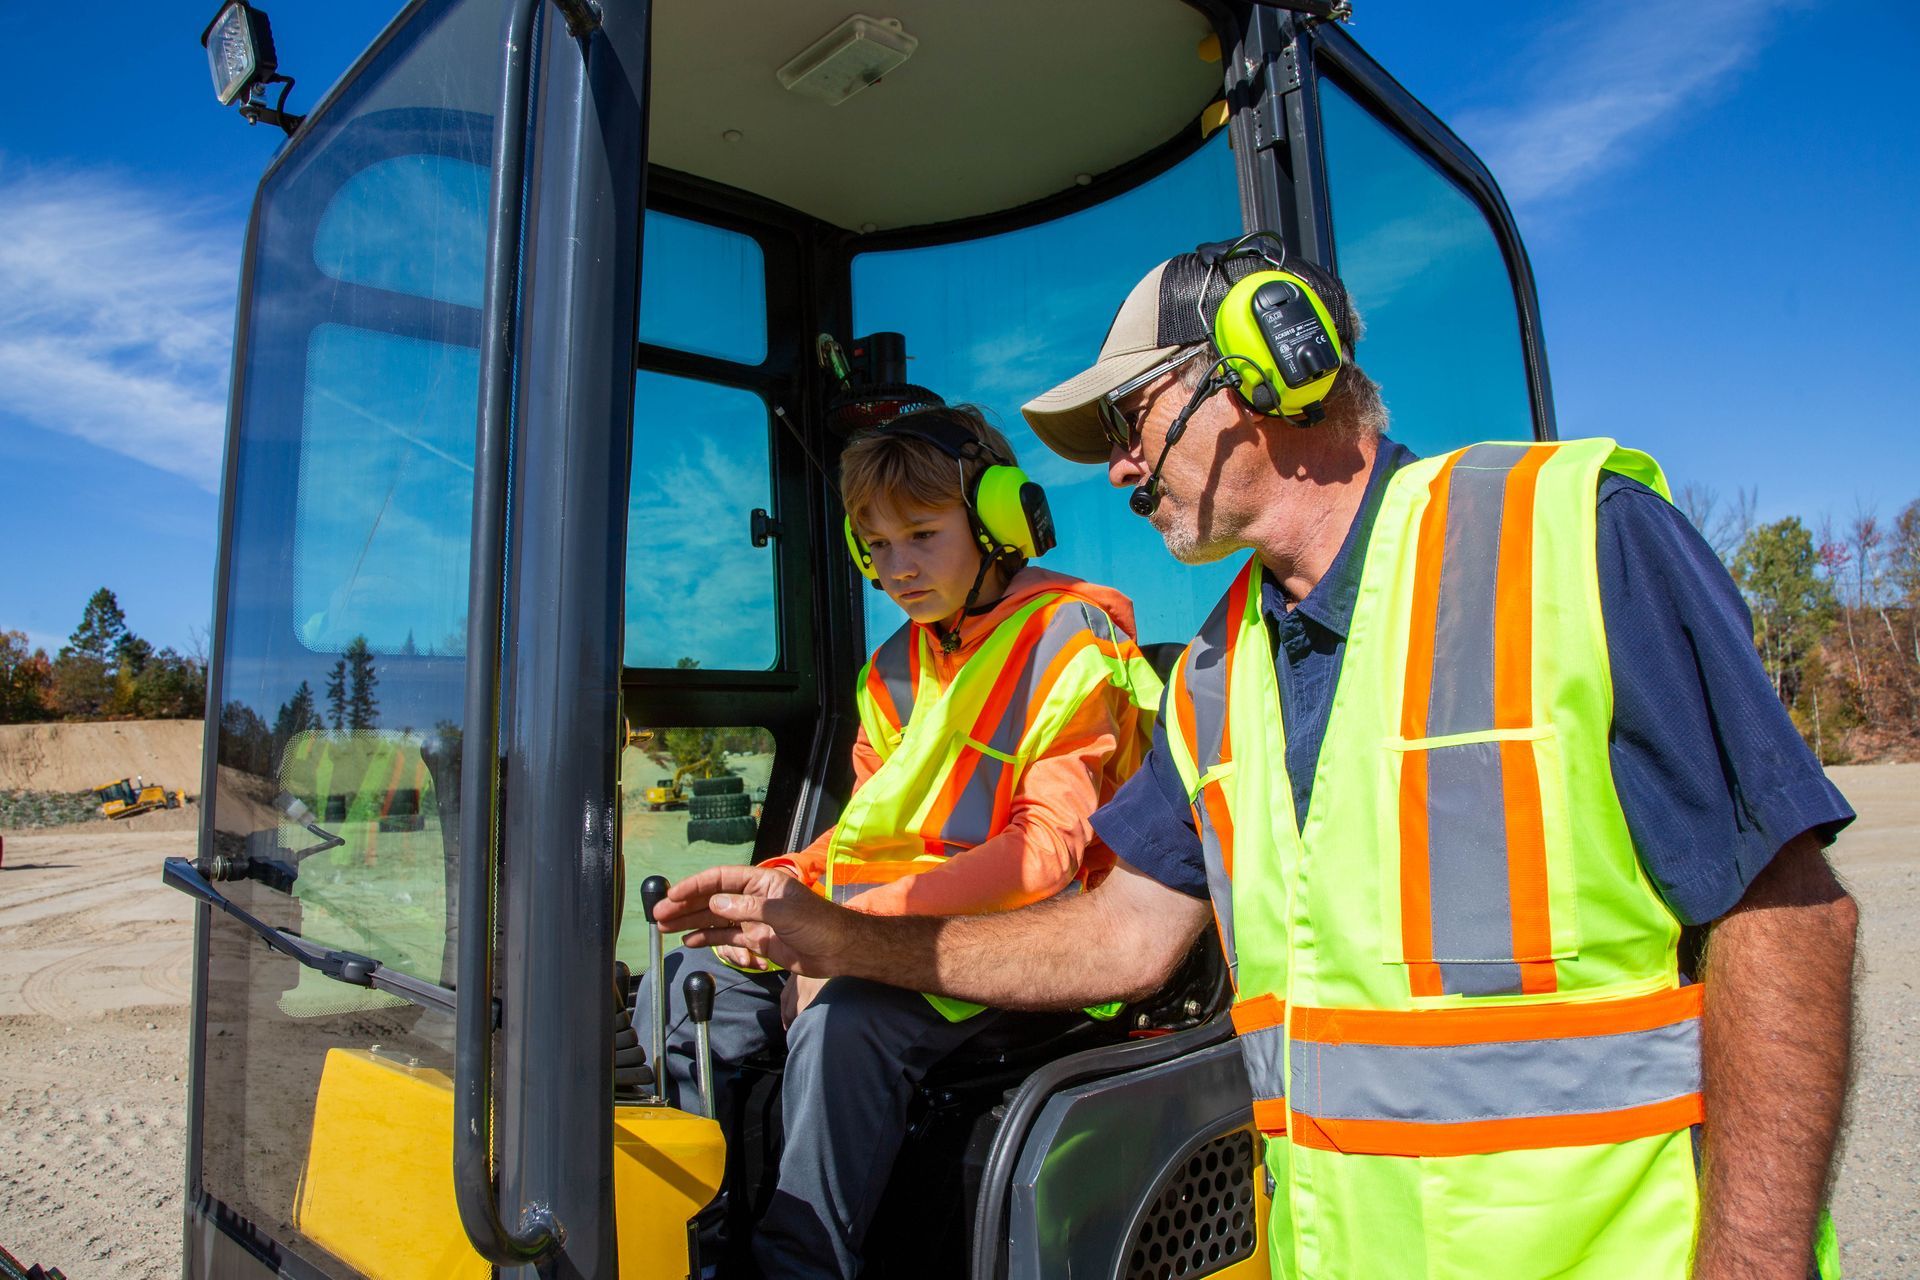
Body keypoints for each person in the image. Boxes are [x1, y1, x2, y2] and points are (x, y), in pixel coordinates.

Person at [659, 237, 1859, 1280]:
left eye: (1131, 420)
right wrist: (833, 931)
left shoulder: (1569, 538)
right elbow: (1116, 939)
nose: (1119, 469)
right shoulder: (1219, 672)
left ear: (1270, 358)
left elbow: (1789, 917)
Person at [639, 403, 1161, 1278]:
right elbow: (869, 830)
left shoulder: (1072, 639)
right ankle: (702, 1230)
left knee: (849, 1023)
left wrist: (851, 938)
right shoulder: (891, 668)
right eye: (874, 547)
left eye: (921, 534)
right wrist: (774, 884)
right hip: (884, 927)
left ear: (999, 518)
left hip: (1027, 946)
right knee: (689, 979)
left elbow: (1048, 854)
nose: (897, 568)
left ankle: (798, 1264)